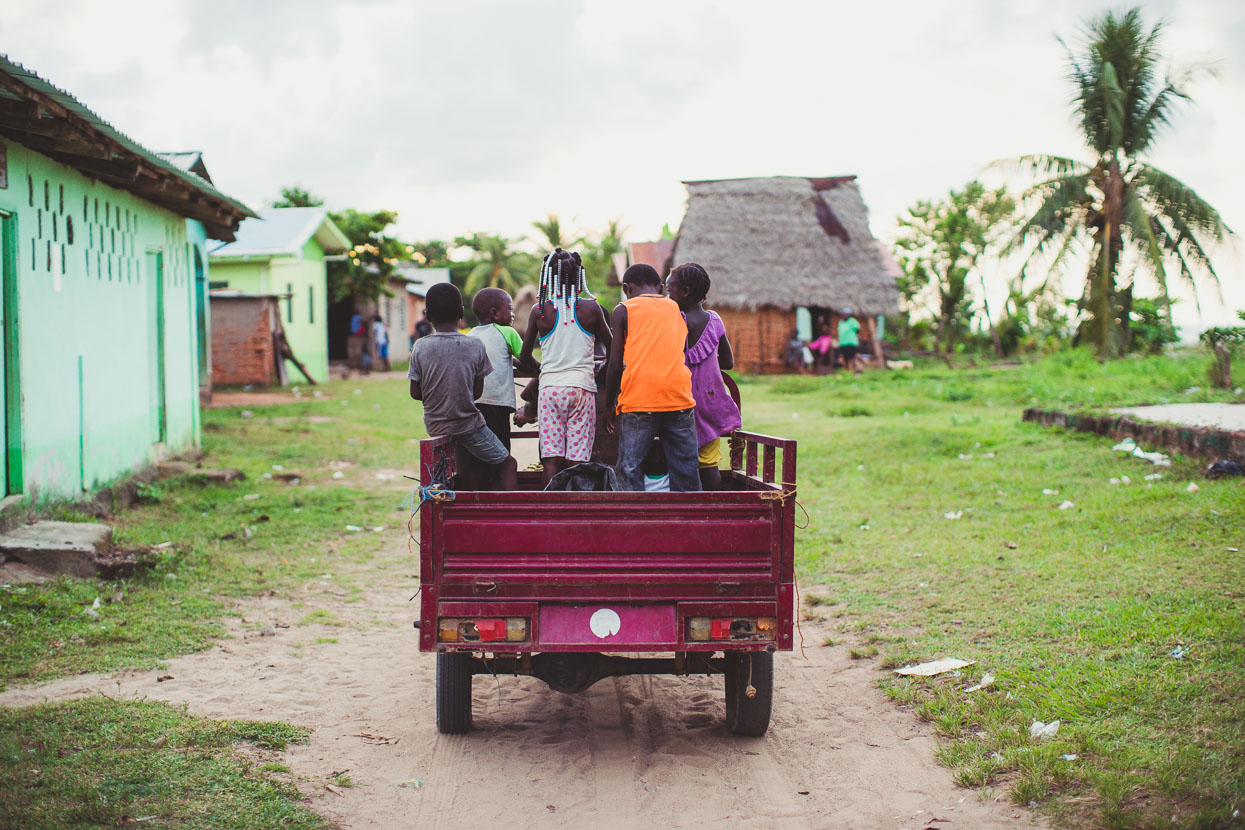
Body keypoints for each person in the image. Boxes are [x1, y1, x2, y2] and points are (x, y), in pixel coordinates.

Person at [408, 283, 517, 490]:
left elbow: (415, 393)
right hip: (468, 425)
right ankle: (511, 518)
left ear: (428, 316)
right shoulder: (474, 344)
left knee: (464, 471)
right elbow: (477, 392)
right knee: (508, 465)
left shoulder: (420, 346)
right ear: (461, 313)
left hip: (435, 426)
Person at [603, 264, 700, 492]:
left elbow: (615, 364)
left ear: (626, 288)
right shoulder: (675, 307)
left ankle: (634, 524)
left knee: (629, 468)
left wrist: (609, 406)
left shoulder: (623, 310)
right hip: (678, 397)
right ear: (659, 287)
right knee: (686, 468)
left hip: (639, 400)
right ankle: (690, 523)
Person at [519, 249, 612, 485]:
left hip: (549, 390)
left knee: (551, 458)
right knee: (577, 458)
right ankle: (576, 511)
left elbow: (524, 356)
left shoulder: (539, 310)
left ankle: (549, 512)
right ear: (579, 277)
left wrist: (544, 370)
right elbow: (614, 349)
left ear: (547, 277)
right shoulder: (592, 309)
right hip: (581, 388)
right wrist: (603, 367)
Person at [666, 262, 741, 490]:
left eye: (670, 290)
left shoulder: (674, 321)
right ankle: (716, 512)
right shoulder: (714, 320)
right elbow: (728, 362)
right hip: (710, 401)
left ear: (685, 292)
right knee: (708, 462)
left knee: (678, 460)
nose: (667, 295)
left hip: (679, 402)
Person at [469, 287, 523, 452]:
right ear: (495, 313)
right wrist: (541, 370)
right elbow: (527, 360)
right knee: (501, 453)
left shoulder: (470, 335)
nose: (512, 314)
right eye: (509, 309)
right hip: (496, 404)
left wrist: (509, 359)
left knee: (480, 454)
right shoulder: (508, 332)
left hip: (473, 404)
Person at [838, 308, 862, 373]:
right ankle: (845, 372)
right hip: (843, 343)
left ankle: (851, 371)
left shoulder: (853, 321)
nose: (845, 315)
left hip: (851, 342)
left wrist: (858, 338)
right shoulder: (841, 322)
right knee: (844, 358)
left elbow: (858, 331)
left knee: (851, 358)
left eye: (846, 314)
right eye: (844, 314)